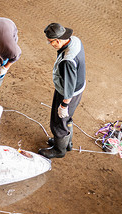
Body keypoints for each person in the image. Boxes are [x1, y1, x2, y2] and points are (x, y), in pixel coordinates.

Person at [39, 23, 86, 159]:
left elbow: (69, 86)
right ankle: (67, 143)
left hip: (68, 93)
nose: (50, 44)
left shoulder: (67, 61)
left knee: (59, 120)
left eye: (50, 42)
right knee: (67, 118)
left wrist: (64, 105)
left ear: (58, 41)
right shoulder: (75, 40)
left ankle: (59, 150)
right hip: (78, 87)